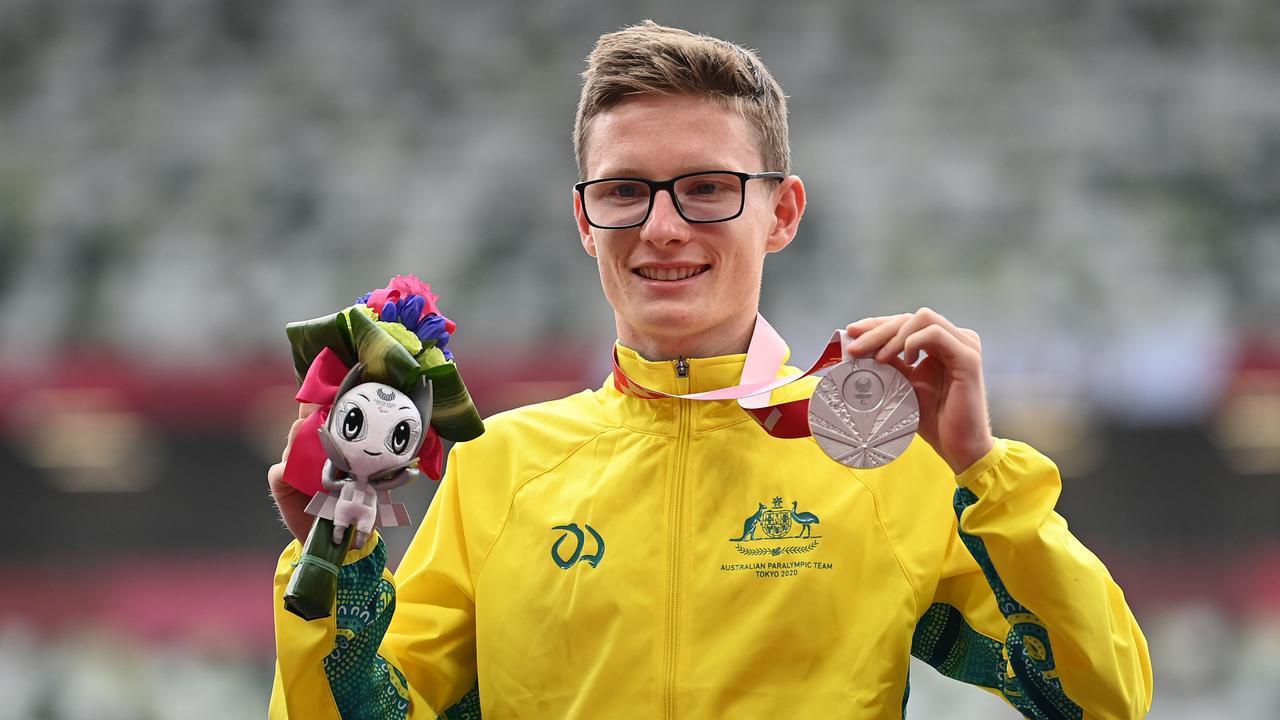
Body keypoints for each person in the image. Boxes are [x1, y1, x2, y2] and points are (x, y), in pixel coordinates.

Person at [267, 21, 1153, 719]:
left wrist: (983, 474)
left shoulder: (880, 452)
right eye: (624, 190)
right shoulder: (499, 465)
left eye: (706, 186)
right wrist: (333, 580)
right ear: (584, 220)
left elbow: (1098, 699)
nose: (661, 227)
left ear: (783, 211)